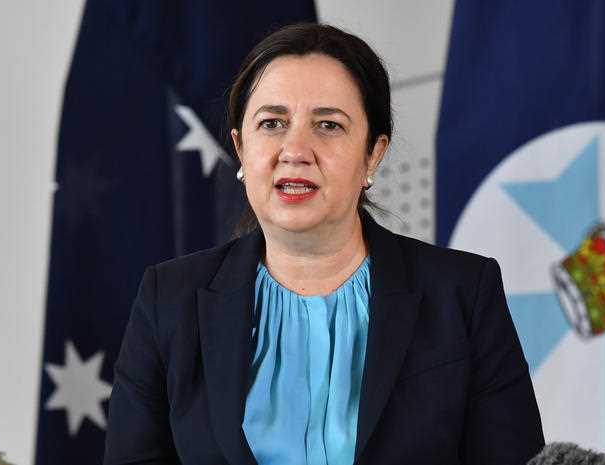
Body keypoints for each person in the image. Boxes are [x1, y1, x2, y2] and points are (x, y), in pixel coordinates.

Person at [104, 23, 544, 465]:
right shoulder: (169, 300)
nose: (295, 150)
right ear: (240, 147)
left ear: (373, 152)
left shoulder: (464, 294)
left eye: (328, 125)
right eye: (272, 123)